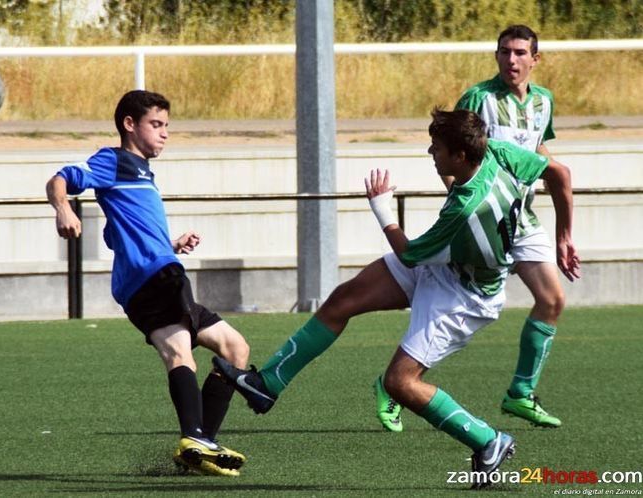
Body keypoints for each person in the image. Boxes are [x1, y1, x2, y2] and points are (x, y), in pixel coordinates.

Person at [213, 109, 578, 487]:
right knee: (343, 300)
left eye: (436, 148)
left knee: (399, 383)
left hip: (462, 298)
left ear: (461, 156)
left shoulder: (466, 207)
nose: (430, 152)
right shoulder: (498, 151)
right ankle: (267, 384)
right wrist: (564, 234)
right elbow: (559, 173)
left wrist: (381, 207)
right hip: (447, 265)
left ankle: (488, 440)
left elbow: (410, 254)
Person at [374, 25, 580, 432]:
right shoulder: (478, 98)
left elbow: (539, 149)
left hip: (523, 217)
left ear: (535, 59)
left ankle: (520, 393)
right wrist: (460, 201)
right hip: (483, 217)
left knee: (552, 300)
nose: (512, 60)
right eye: (504, 52)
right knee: (453, 301)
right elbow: (453, 148)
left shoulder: (544, 101)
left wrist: (564, 233)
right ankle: (394, 384)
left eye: (520, 53)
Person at [45, 90, 250, 477]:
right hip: (153, 278)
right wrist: (63, 207)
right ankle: (196, 438)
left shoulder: (141, 174)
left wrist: (170, 243)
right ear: (129, 124)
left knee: (235, 348)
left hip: (161, 270)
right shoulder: (113, 161)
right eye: (156, 124)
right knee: (179, 351)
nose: (165, 133)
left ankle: (200, 442)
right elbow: (60, 179)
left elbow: (123, 232)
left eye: (167, 126)